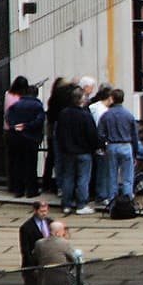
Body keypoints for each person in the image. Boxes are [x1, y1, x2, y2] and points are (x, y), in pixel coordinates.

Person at [56, 85, 100, 215]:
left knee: (68, 177)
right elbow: (92, 135)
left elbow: (59, 133)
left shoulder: (63, 113)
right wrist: (95, 147)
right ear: (82, 99)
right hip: (83, 151)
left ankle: (66, 204)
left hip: (67, 151)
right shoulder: (85, 115)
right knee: (83, 179)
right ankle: (81, 204)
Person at [96, 88, 140, 200]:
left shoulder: (106, 115)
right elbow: (134, 135)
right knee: (127, 178)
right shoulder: (129, 115)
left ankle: (112, 200)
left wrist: (103, 146)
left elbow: (100, 134)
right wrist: (135, 152)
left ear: (112, 99)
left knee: (112, 176)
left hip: (112, 145)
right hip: (126, 145)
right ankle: (127, 200)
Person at [5, 80, 45, 198]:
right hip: (31, 138)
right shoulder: (38, 106)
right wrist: (27, 126)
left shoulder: (15, 105)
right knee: (31, 165)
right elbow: (40, 120)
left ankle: (19, 190)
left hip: (16, 137)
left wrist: (16, 126)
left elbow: (8, 117)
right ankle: (31, 190)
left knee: (18, 164)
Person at [19, 200, 52, 285]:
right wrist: (34, 268)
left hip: (49, 268)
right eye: (41, 211)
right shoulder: (26, 227)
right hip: (33, 270)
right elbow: (25, 251)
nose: (44, 213)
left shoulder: (50, 223)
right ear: (35, 210)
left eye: (46, 211)